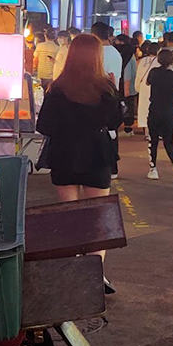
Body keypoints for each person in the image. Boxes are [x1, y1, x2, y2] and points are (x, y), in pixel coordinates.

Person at [35, 34, 123, 294]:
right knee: (96, 217)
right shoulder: (105, 88)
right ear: (96, 57)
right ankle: (95, 274)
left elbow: (44, 126)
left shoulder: (58, 88)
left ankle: (71, 271)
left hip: (64, 154)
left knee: (70, 216)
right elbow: (115, 122)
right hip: (97, 155)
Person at [146, 49, 173, 181]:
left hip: (154, 110)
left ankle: (153, 170)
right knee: (168, 141)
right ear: (172, 60)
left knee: (153, 141)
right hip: (169, 112)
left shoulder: (154, 72)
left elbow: (147, 82)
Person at [91, 22, 123, 179]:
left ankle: (101, 165)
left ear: (94, 35)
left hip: (97, 96)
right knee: (112, 133)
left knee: (98, 131)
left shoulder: (96, 53)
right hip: (113, 96)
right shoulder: (116, 53)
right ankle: (113, 167)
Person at [134, 43, 160, 140]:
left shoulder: (142, 61)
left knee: (145, 110)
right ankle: (155, 132)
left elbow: (138, 76)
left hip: (144, 88)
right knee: (155, 110)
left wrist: (137, 88)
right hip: (155, 88)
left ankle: (147, 133)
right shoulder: (159, 61)